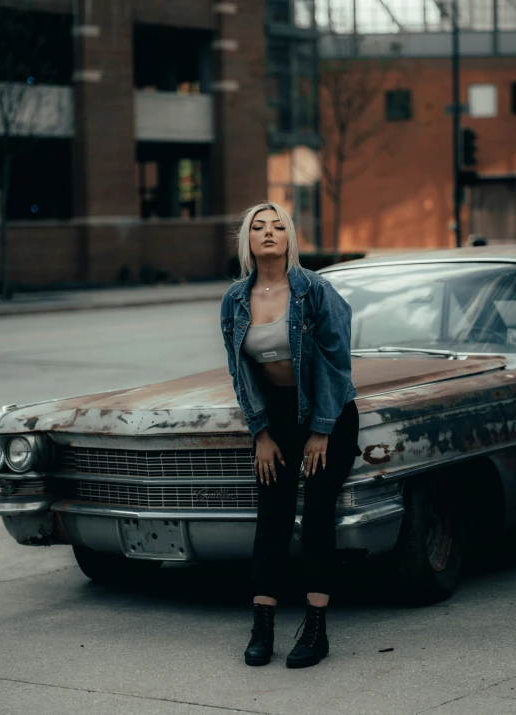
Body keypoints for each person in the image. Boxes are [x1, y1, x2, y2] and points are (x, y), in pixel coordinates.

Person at [220, 202, 361, 669]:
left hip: (328, 413)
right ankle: (263, 625)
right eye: (258, 227)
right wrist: (260, 432)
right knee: (272, 517)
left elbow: (337, 366)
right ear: (247, 240)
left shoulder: (316, 291)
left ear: (289, 238)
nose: (268, 232)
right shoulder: (235, 300)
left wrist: (320, 431)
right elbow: (241, 374)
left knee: (317, 515)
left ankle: (316, 630)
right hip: (276, 417)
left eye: (278, 226)